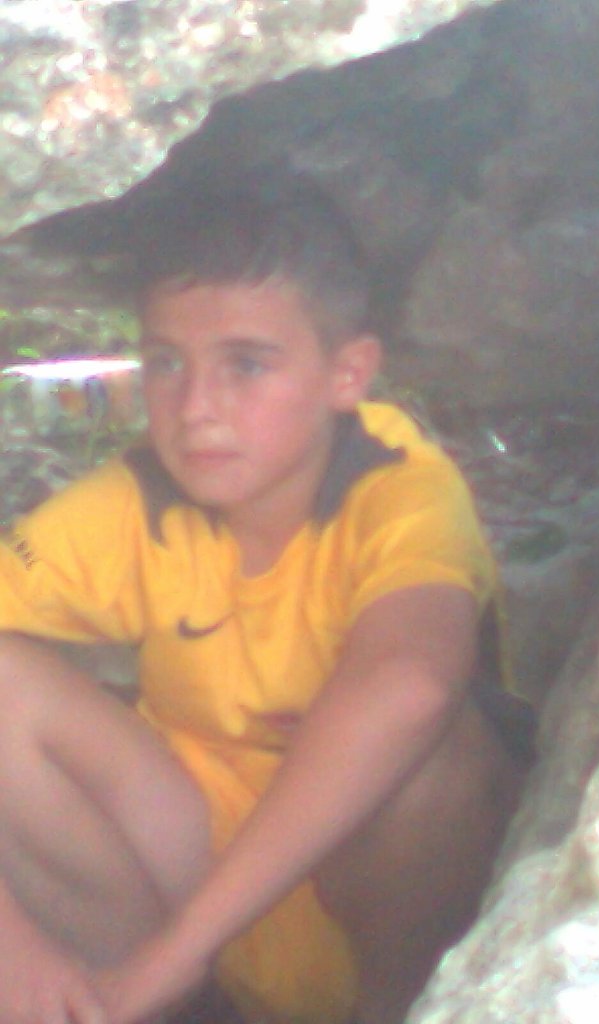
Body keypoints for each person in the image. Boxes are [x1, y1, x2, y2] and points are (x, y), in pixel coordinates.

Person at [0, 182, 534, 1024]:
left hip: (367, 921)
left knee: (439, 757)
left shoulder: (396, 486)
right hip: (188, 880)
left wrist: (173, 958)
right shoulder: (138, 500)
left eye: (245, 365)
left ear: (347, 373)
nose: (196, 408)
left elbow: (412, 683)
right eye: (167, 362)